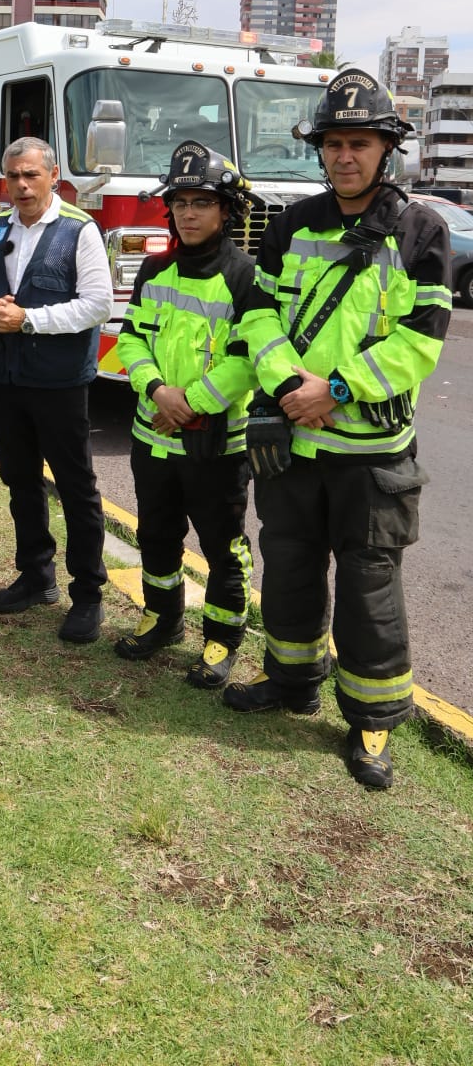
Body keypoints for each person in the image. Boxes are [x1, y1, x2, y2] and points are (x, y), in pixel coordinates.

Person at [224, 70, 452, 789]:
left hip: (370, 457)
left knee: (369, 588)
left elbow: (421, 340)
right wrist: (290, 387)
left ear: (387, 148)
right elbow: (258, 315)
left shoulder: (421, 230)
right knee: (288, 568)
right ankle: (291, 681)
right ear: (319, 150)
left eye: (360, 143)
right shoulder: (290, 224)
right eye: (333, 143)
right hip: (293, 443)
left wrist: (337, 390)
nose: (344, 156)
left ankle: (372, 720)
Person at [113, 142, 257, 686]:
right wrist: (157, 391)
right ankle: (162, 618)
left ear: (226, 210)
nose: (189, 213)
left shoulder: (248, 276)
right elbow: (131, 340)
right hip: (153, 438)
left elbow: (249, 361)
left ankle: (222, 640)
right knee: (156, 534)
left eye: (202, 202)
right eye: (180, 203)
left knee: (224, 547)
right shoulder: (154, 270)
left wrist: (188, 403)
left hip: (216, 446)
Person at [0, 136, 113, 643]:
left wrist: (27, 319)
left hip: (59, 382)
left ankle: (88, 594)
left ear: (53, 176)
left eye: (31, 175)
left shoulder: (79, 229)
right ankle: (36, 576)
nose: (22, 185)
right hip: (8, 379)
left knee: (76, 489)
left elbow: (98, 304)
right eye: (13, 176)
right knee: (20, 481)